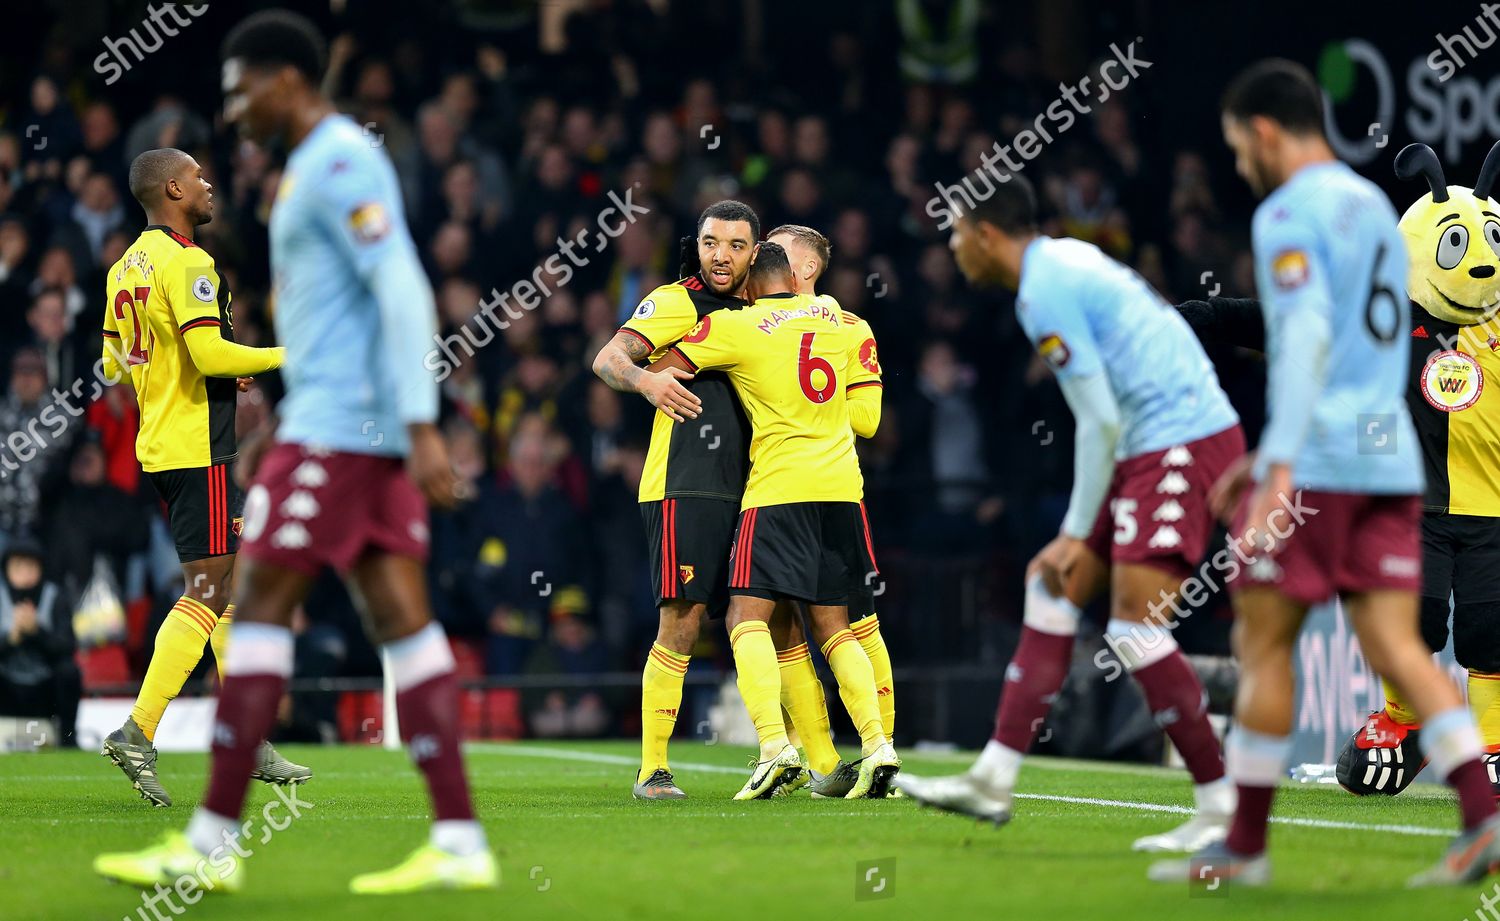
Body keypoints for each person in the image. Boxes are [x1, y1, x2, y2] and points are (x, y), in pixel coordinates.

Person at [94, 10, 496, 894]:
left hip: (335, 426)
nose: (231, 114)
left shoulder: (336, 160)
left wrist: (421, 418)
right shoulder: (311, 165)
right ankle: (461, 838)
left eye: (239, 91)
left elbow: (399, 281)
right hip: (348, 425)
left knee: (254, 599)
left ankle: (206, 843)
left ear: (283, 78)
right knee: (399, 617)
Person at [1148, 59, 1500, 887]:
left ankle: (1243, 845)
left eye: (1239, 148)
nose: (1240, 164)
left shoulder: (1289, 214)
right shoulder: (1376, 212)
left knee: (1264, 644)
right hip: (1395, 468)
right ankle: (1483, 823)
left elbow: (1304, 336)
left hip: (1330, 459)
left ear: (1266, 132)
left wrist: (1274, 461)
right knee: (1400, 646)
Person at [899, 171, 1245, 854]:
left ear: (987, 234)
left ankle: (1221, 802)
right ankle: (994, 775)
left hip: (1179, 440)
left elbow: (1098, 421)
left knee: (1134, 628)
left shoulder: (1044, 290)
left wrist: (1072, 530)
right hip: (1151, 442)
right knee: (1050, 585)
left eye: (956, 230)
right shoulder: (1060, 261)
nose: (952, 243)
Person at [97, 145, 304, 808]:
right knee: (209, 591)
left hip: (161, 443)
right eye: (199, 177)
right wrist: (287, 355)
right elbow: (208, 349)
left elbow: (111, 364)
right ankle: (137, 730)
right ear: (173, 190)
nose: (210, 184)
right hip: (198, 447)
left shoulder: (124, 267)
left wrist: (178, 370)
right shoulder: (190, 260)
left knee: (230, 590)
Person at [652, 242, 898, 799]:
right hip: (842, 490)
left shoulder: (739, 325)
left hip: (778, 492)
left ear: (754, 283)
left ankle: (773, 748)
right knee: (837, 626)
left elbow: (662, 371)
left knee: (743, 614)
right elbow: (867, 417)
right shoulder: (841, 318)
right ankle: (879, 745)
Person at [590, 200, 755, 800]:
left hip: (754, 487)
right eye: (712, 242)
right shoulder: (674, 301)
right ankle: (652, 767)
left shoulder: (765, 315)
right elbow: (607, 359)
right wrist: (646, 380)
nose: (721, 255)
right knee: (681, 623)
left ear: (753, 255)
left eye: (736, 245)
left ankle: (796, 758)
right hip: (683, 485)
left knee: (768, 618)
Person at [762, 223, 891, 797]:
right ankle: (841, 757)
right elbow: (863, 420)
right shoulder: (849, 327)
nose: (763, 259)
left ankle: (873, 744)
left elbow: (870, 422)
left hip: (806, 488)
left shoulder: (837, 326)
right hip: (823, 487)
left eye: (777, 253)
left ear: (807, 269)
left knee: (845, 624)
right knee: (813, 625)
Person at [0, 536, 79, 749]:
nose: (24, 573)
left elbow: (68, 646)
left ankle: (68, 739)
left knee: (69, 671)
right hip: (7, 689)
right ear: (6, 569)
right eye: (18, 566)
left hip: (43, 691)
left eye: (30, 566)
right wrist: (10, 639)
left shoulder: (55, 596)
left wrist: (37, 633)